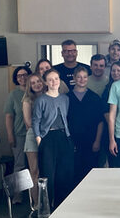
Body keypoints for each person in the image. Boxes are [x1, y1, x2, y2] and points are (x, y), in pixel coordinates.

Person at [32, 69, 74, 209]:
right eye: (50, 79)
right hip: (48, 138)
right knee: (48, 173)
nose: (54, 82)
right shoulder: (41, 100)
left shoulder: (65, 98)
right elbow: (36, 121)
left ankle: (61, 206)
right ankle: (47, 207)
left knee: (64, 174)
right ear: (45, 82)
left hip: (63, 137)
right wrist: (39, 139)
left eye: (56, 78)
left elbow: (66, 118)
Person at [67, 66, 106, 186]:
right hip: (73, 143)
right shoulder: (66, 98)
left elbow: (100, 122)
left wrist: (97, 141)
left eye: (84, 77)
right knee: (73, 173)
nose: (82, 79)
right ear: (74, 78)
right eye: (79, 77)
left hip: (91, 142)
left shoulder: (94, 98)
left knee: (90, 173)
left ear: (87, 78)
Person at [4, 65, 32, 204]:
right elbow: (9, 116)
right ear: (16, 79)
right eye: (19, 76)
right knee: (19, 165)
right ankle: (18, 195)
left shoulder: (35, 91)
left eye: (25, 74)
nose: (22, 78)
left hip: (34, 135)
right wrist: (10, 135)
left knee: (35, 165)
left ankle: (35, 194)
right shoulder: (13, 95)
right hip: (19, 135)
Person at [22, 73, 46, 207]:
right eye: (33, 83)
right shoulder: (27, 100)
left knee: (46, 170)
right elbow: (29, 122)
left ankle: (47, 202)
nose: (36, 84)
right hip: (32, 136)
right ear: (29, 86)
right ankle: (36, 204)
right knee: (35, 171)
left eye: (38, 81)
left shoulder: (48, 96)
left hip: (47, 135)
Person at [100, 61, 120, 167]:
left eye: (119, 70)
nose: (115, 73)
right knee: (115, 162)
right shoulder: (107, 89)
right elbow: (106, 112)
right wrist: (115, 126)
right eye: (113, 70)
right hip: (112, 130)